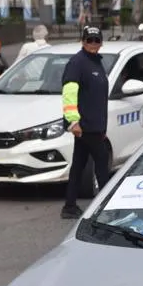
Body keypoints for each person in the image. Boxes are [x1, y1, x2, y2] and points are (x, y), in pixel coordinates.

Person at [60, 25, 112, 219]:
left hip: (96, 126)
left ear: (101, 43)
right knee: (101, 163)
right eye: (89, 40)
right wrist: (73, 122)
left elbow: (99, 98)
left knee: (79, 165)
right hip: (85, 125)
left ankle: (70, 206)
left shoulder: (97, 62)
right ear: (82, 41)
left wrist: (103, 127)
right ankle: (106, 207)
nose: (93, 44)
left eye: (96, 40)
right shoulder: (77, 63)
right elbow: (69, 94)